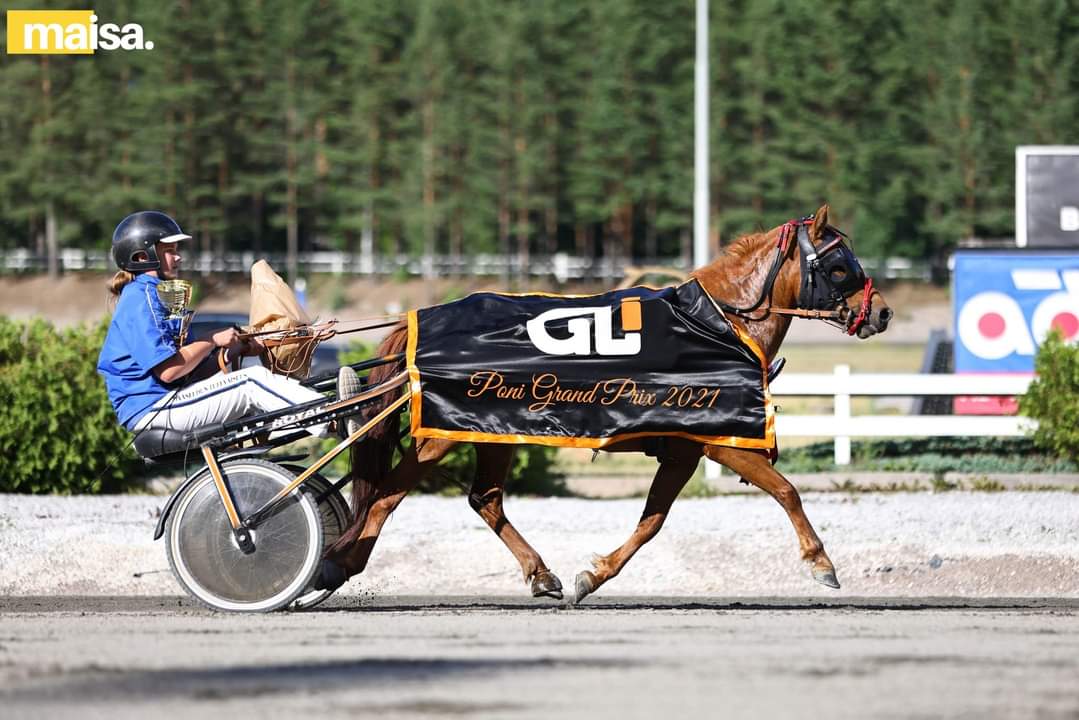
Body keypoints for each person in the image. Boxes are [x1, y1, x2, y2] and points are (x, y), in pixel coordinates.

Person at [97, 210, 359, 447]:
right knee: (251, 380)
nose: (177, 256)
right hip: (152, 407)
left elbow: (187, 374)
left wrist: (231, 351)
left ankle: (319, 414)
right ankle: (332, 419)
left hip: (168, 401)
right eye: (168, 249)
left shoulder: (158, 294)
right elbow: (169, 371)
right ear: (142, 256)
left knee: (250, 377)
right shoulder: (140, 298)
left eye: (177, 249)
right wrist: (212, 339)